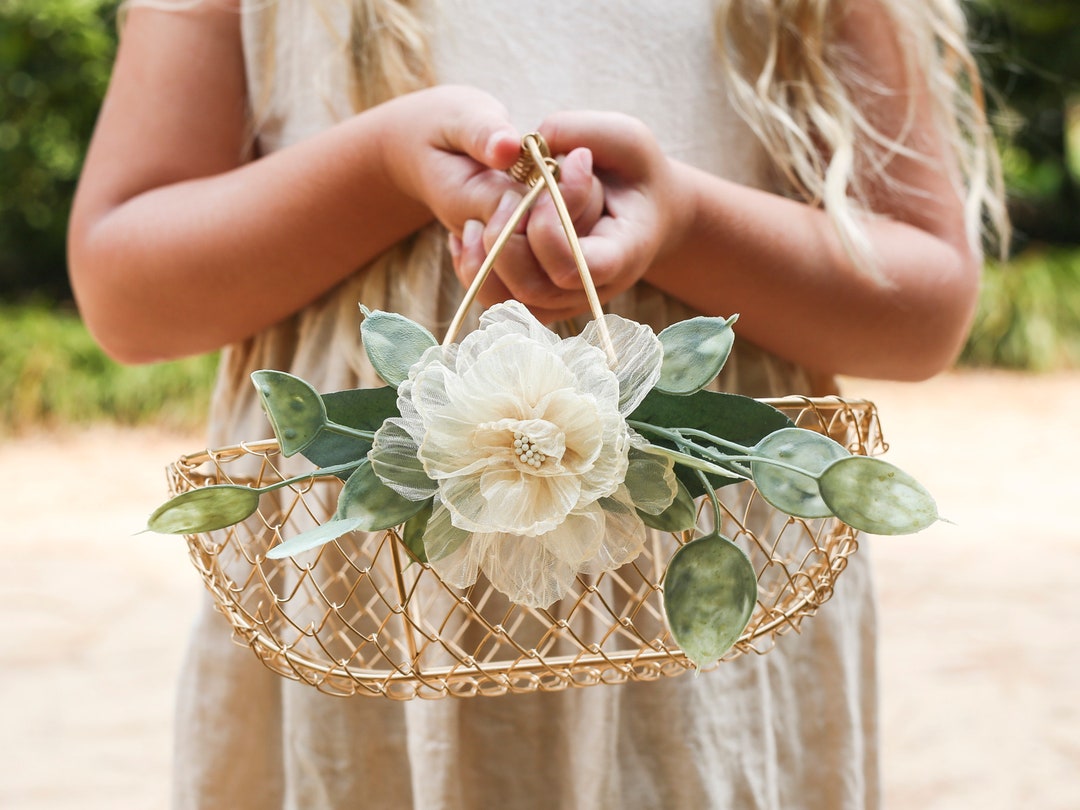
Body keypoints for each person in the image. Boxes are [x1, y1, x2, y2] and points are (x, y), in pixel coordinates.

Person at [68, 1, 1006, 808]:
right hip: (372, 632)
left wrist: (684, 222)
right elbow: (127, 293)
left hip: (705, 629)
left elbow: (922, 310)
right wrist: (384, 169)